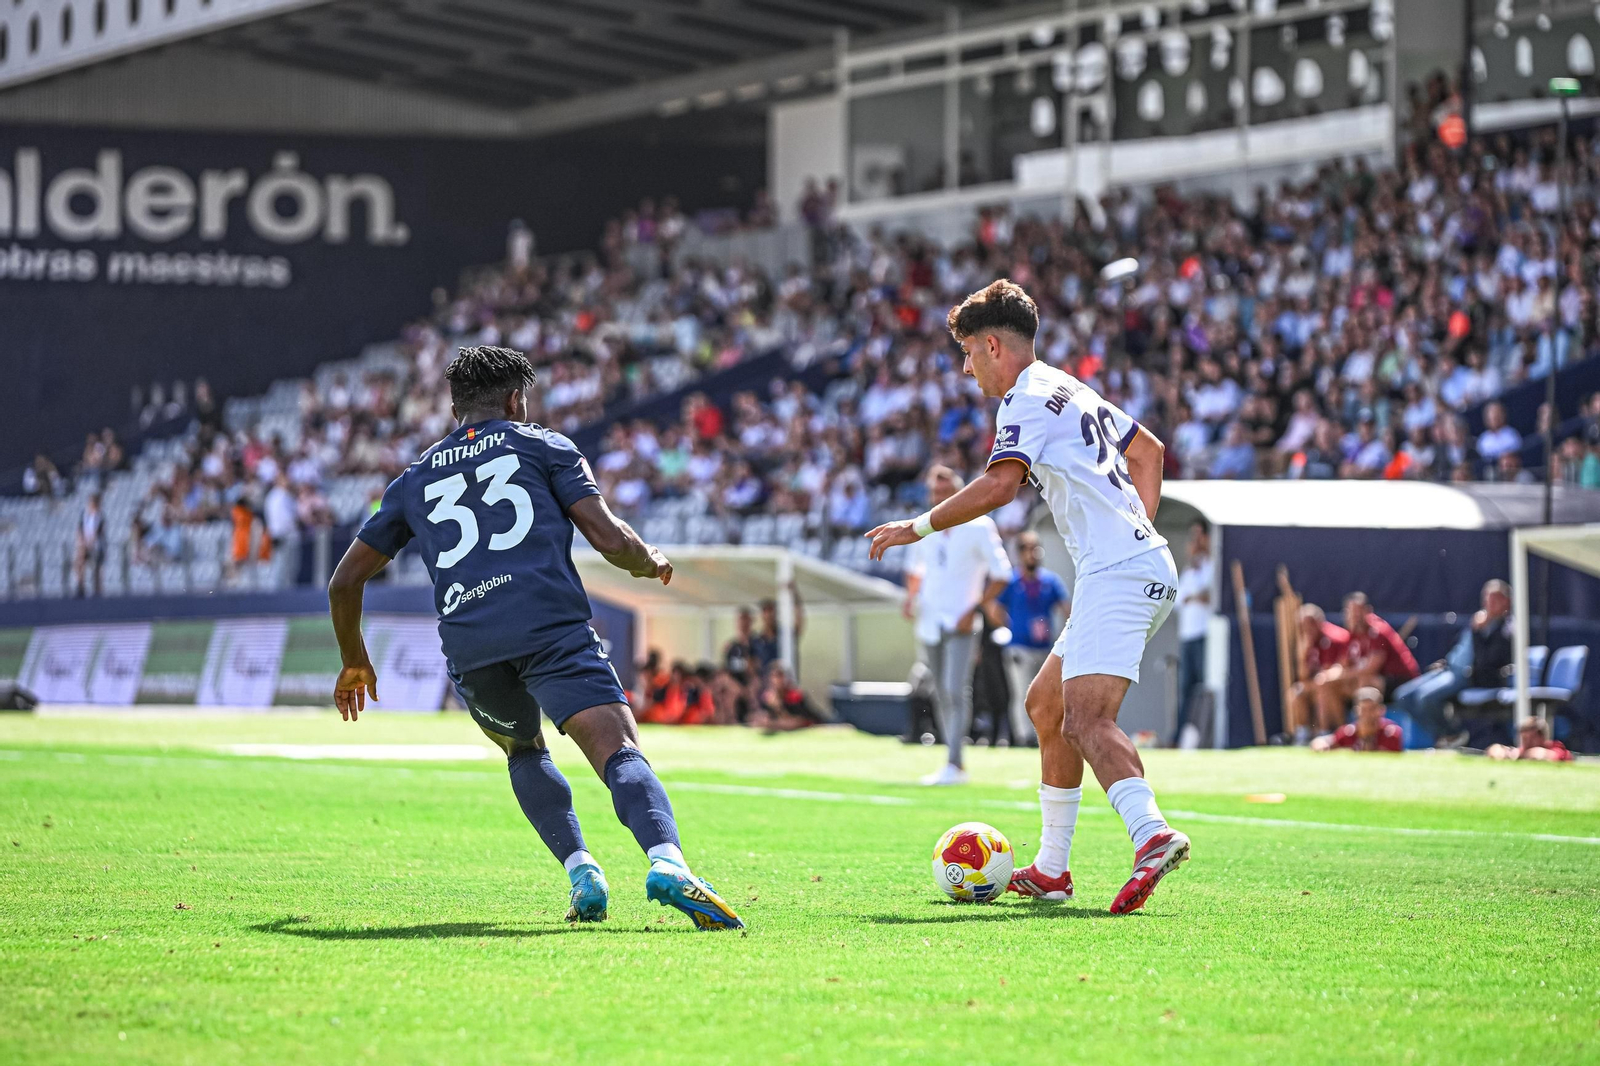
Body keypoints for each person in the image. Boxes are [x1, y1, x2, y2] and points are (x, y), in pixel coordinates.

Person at [327, 345, 743, 931]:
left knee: (525, 752)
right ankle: (668, 863)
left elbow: (345, 580)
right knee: (619, 752)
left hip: (471, 643)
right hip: (551, 629)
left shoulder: (414, 477)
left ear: (455, 408)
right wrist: (649, 561)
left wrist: (355, 661)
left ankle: (582, 873)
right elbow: (608, 539)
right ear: (517, 400)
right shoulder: (544, 445)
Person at [869, 279, 1190, 915]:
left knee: (1086, 719)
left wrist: (917, 526)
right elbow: (1149, 450)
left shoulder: (1023, 397)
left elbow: (999, 487)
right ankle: (1050, 871)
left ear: (993, 344)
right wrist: (1141, 532)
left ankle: (1151, 833)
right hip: (1128, 564)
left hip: (1120, 570)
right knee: (1046, 705)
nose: (965, 367)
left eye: (967, 353)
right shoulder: (1066, 386)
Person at [901, 464, 1014, 786]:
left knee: (955, 688)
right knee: (939, 690)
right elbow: (917, 569)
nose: (939, 497)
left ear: (958, 492)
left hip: (962, 621)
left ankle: (955, 761)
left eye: (945, 491)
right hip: (930, 618)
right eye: (935, 492)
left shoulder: (979, 526)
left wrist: (976, 606)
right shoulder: (926, 526)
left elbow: (1002, 573)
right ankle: (950, 759)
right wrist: (910, 598)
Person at [1391, 580, 1514, 746]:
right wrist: (1446, 661)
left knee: (1424, 698)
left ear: (1507, 602)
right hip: (1449, 669)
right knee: (1402, 696)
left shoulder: (1508, 628)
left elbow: (1490, 660)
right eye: (1486, 599)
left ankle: (1453, 734)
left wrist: (1478, 633)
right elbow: (1460, 650)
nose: (1488, 604)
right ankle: (1446, 736)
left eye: (1495, 599)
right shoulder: (1478, 621)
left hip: (1471, 676)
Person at [997, 531, 1070, 747]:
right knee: (1021, 693)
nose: (1033, 554)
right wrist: (1008, 625)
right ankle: (1023, 737)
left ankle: (1044, 734)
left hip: (1044, 648)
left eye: (1035, 548)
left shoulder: (1049, 581)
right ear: (1020, 553)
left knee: (1046, 694)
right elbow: (993, 605)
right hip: (1019, 648)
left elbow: (1066, 608)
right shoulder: (1011, 580)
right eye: (1027, 549)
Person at [1313, 593, 1419, 735]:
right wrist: (1327, 676)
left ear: (1367, 611)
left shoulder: (1378, 630)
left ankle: (1366, 734)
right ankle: (1337, 734)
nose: (1354, 616)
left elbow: (1370, 669)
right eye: (1351, 612)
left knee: (1365, 682)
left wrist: (1339, 676)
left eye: (1358, 611)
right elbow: (1343, 665)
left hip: (1400, 682)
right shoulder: (1352, 634)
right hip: (1371, 681)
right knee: (1327, 685)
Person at [1172, 519, 1213, 746]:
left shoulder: (1212, 566)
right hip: (1187, 636)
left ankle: (1204, 735)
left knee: (1204, 688)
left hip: (1204, 636)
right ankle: (1182, 738)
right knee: (1186, 690)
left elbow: (1209, 596)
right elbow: (1179, 601)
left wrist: (1195, 597)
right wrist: (1196, 596)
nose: (1194, 542)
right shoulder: (1188, 571)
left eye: (1198, 536)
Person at [1284, 604, 1350, 741]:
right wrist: (1304, 652)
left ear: (1320, 622)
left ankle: (1325, 731)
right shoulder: (1308, 642)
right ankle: (1302, 733)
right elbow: (1302, 676)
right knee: (1297, 692)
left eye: (1310, 624)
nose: (1307, 628)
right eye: (1303, 625)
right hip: (1319, 683)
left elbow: (1334, 671)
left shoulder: (1335, 637)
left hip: (1341, 683)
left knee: (1322, 687)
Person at [1310, 688, 1404, 752]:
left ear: (1381, 710)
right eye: (1364, 710)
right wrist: (1321, 745)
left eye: (1372, 709)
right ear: (1356, 710)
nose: (1367, 714)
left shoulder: (1391, 733)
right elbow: (1324, 741)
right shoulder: (1349, 732)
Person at [1487, 717, 1573, 762]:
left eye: (1531, 738)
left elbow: (1545, 755)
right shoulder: (1523, 751)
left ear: (1542, 737)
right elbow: (1496, 751)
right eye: (1524, 738)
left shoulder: (1556, 747)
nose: (1527, 742)